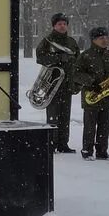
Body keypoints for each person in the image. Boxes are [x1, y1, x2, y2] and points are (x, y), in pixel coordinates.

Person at [35, 13, 80, 153]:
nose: (62, 26)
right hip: (53, 83)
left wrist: (76, 82)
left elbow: (78, 62)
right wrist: (58, 58)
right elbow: (40, 57)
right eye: (59, 24)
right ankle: (52, 144)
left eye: (64, 24)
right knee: (53, 115)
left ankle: (63, 144)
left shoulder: (72, 42)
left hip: (67, 83)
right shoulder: (47, 41)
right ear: (54, 25)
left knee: (65, 115)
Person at [71, 26, 109, 160]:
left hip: (106, 96)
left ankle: (102, 151)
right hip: (91, 95)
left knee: (104, 125)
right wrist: (91, 82)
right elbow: (76, 74)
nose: (104, 40)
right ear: (93, 40)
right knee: (90, 126)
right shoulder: (85, 55)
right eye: (100, 38)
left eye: (106, 37)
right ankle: (87, 150)